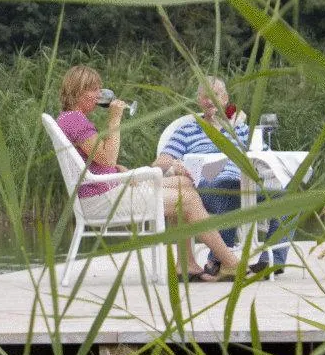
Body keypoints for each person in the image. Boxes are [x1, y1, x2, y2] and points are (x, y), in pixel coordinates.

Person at [57, 65, 245, 281]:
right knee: (189, 200)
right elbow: (107, 157)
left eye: (100, 89)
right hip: (103, 199)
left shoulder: (69, 118)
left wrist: (114, 170)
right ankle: (230, 263)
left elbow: (99, 162)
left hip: (104, 188)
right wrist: (115, 119)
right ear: (77, 90)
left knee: (183, 182)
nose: (99, 95)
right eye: (94, 90)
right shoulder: (75, 120)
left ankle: (187, 264)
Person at [153, 76, 283, 270]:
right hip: (207, 187)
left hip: (245, 186)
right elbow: (159, 162)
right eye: (205, 96)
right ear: (198, 99)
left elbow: (267, 157)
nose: (210, 100)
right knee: (229, 188)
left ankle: (271, 261)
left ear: (225, 98)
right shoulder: (187, 129)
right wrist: (174, 164)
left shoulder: (241, 129)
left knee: (285, 197)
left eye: (216, 95)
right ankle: (219, 261)